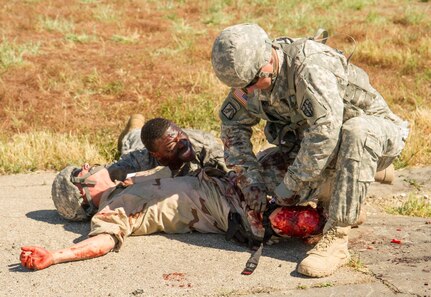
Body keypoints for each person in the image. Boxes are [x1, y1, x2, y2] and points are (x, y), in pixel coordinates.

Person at [211, 23, 409, 277]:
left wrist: (292, 184)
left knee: (357, 132)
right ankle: (344, 192)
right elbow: (232, 126)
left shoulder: (311, 69)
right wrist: (252, 183)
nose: (247, 91)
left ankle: (337, 238)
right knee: (269, 178)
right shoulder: (251, 77)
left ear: (268, 60)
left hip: (375, 134)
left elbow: (324, 134)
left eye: (251, 83)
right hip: (320, 148)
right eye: (243, 86)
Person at [20, 160, 324, 272]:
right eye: (81, 171)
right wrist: (55, 256)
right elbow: (101, 242)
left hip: (233, 182)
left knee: (288, 155)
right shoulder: (111, 212)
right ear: (81, 192)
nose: (88, 165)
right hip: (239, 213)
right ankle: (332, 221)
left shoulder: (127, 181)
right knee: (310, 222)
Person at [107, 116, 228, 182]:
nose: (182, 144)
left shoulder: (204, 146)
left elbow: (232, 172)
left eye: (181, 134)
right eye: (172, 146)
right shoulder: (139, 160)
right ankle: (135, 123)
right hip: (140, 144)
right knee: (134, 137)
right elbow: (105, 175)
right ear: (157, 155)